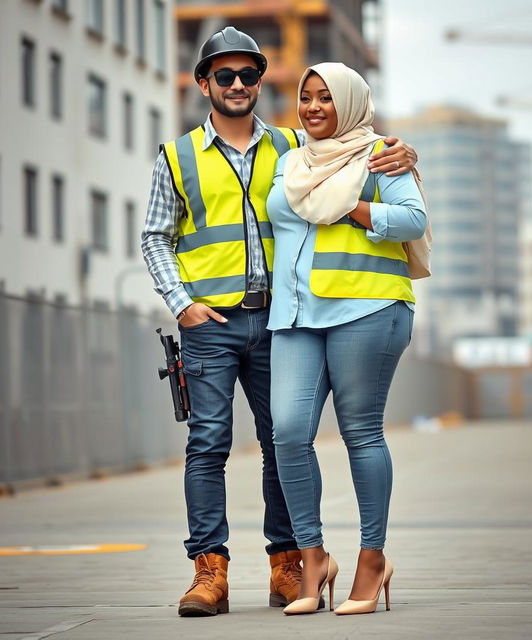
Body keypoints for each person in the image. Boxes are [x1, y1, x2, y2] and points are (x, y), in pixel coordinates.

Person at [141, 27, 417, 618]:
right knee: (208, 443)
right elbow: (154, 237)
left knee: (280, 441)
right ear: (203, 83)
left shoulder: (295, 147)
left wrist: (403, 155)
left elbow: (353, 150)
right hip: (209, 322)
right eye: (225, 75)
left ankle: (288, 565)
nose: (238, 85)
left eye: (248, 75)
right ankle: (208, 573)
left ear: (262, 82)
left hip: (280, 320)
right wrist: (180, 302)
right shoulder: (177, 156)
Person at [267, 63, 427, 616]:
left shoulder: (381, 152)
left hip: (368, 307)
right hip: (294, 317)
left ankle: (372, 558)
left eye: (326, 99)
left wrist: (352, 208)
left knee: (360, 433)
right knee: (287, 433)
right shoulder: (290, 162)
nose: (313, 107)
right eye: (306, 97)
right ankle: (314, 559)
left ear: (352, 103)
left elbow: (412, 220)